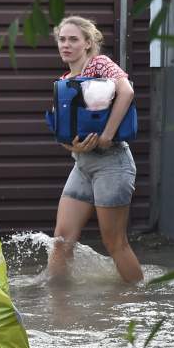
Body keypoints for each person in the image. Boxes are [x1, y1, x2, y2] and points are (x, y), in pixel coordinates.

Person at [47, 16, 144, 283]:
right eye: (62, 39)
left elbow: (126, 91)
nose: (66, 45)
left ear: (88, 43)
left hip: (112, 162)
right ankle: (58, 304)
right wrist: (72, 145)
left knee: (115, 243)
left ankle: (139, 300)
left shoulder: (99, 64)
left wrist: (107, 135)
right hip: (82, 164)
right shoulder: (64, 80)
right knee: (61, 241)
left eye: (73, 39)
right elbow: (64, 134)